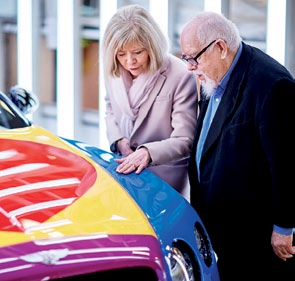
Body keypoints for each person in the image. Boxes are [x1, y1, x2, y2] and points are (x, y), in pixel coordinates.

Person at [180, 11, 295, 281]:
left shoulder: (273, 86)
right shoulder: (214, 75)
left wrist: (284, 227)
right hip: (220, 230)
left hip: (253, 238)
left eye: (193, 57)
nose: (189, 66)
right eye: (185, 58)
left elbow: (288, 163)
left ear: (220, 47)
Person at [101, 4, 197, 199]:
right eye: (121, 54)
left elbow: (185, 140)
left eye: (137, 52)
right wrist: (119, 141)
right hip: (124, 172)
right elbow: (110, 107)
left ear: (152, 46)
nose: (129, 62)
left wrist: (147, 153)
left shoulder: (180, 75)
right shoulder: (114, 69)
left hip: (164, 180)